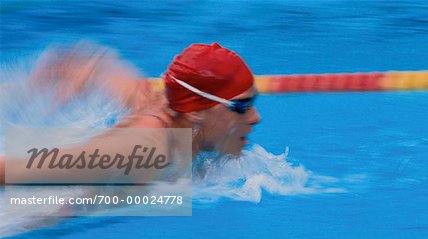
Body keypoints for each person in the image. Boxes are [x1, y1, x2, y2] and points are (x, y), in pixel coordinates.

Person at [0, 42, 261, 184]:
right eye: (241, 107)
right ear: (195, 112)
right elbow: (17, 170)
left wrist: (90, 66)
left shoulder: (168, 106)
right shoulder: (144, 151)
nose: (255, 117)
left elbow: (107, 69)